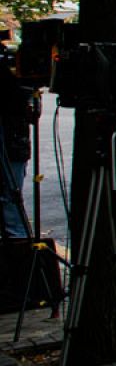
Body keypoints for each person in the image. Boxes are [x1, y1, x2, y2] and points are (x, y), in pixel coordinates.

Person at [0, 64, 35, 239]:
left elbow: (29, 111)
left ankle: (18, 246)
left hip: (12, 141)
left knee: (11, 197)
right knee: (11, 198)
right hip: (13, 141)